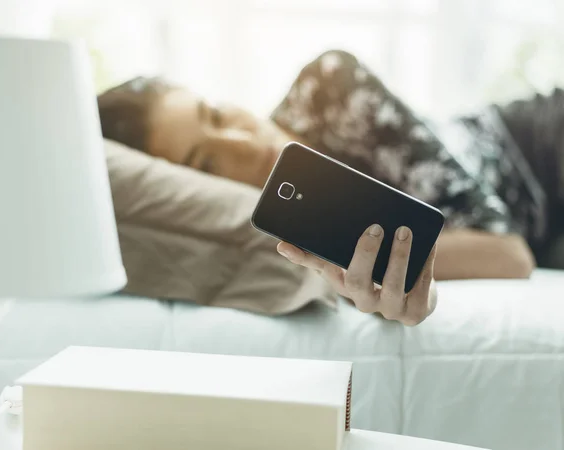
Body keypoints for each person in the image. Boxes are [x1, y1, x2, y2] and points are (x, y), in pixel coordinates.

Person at [97, 50, 561, 324]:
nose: (242, 140)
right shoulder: (289, 235)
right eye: (208, 161)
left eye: (215, 115)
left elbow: (508, 255)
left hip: (543, 148)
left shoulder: (330, 86)